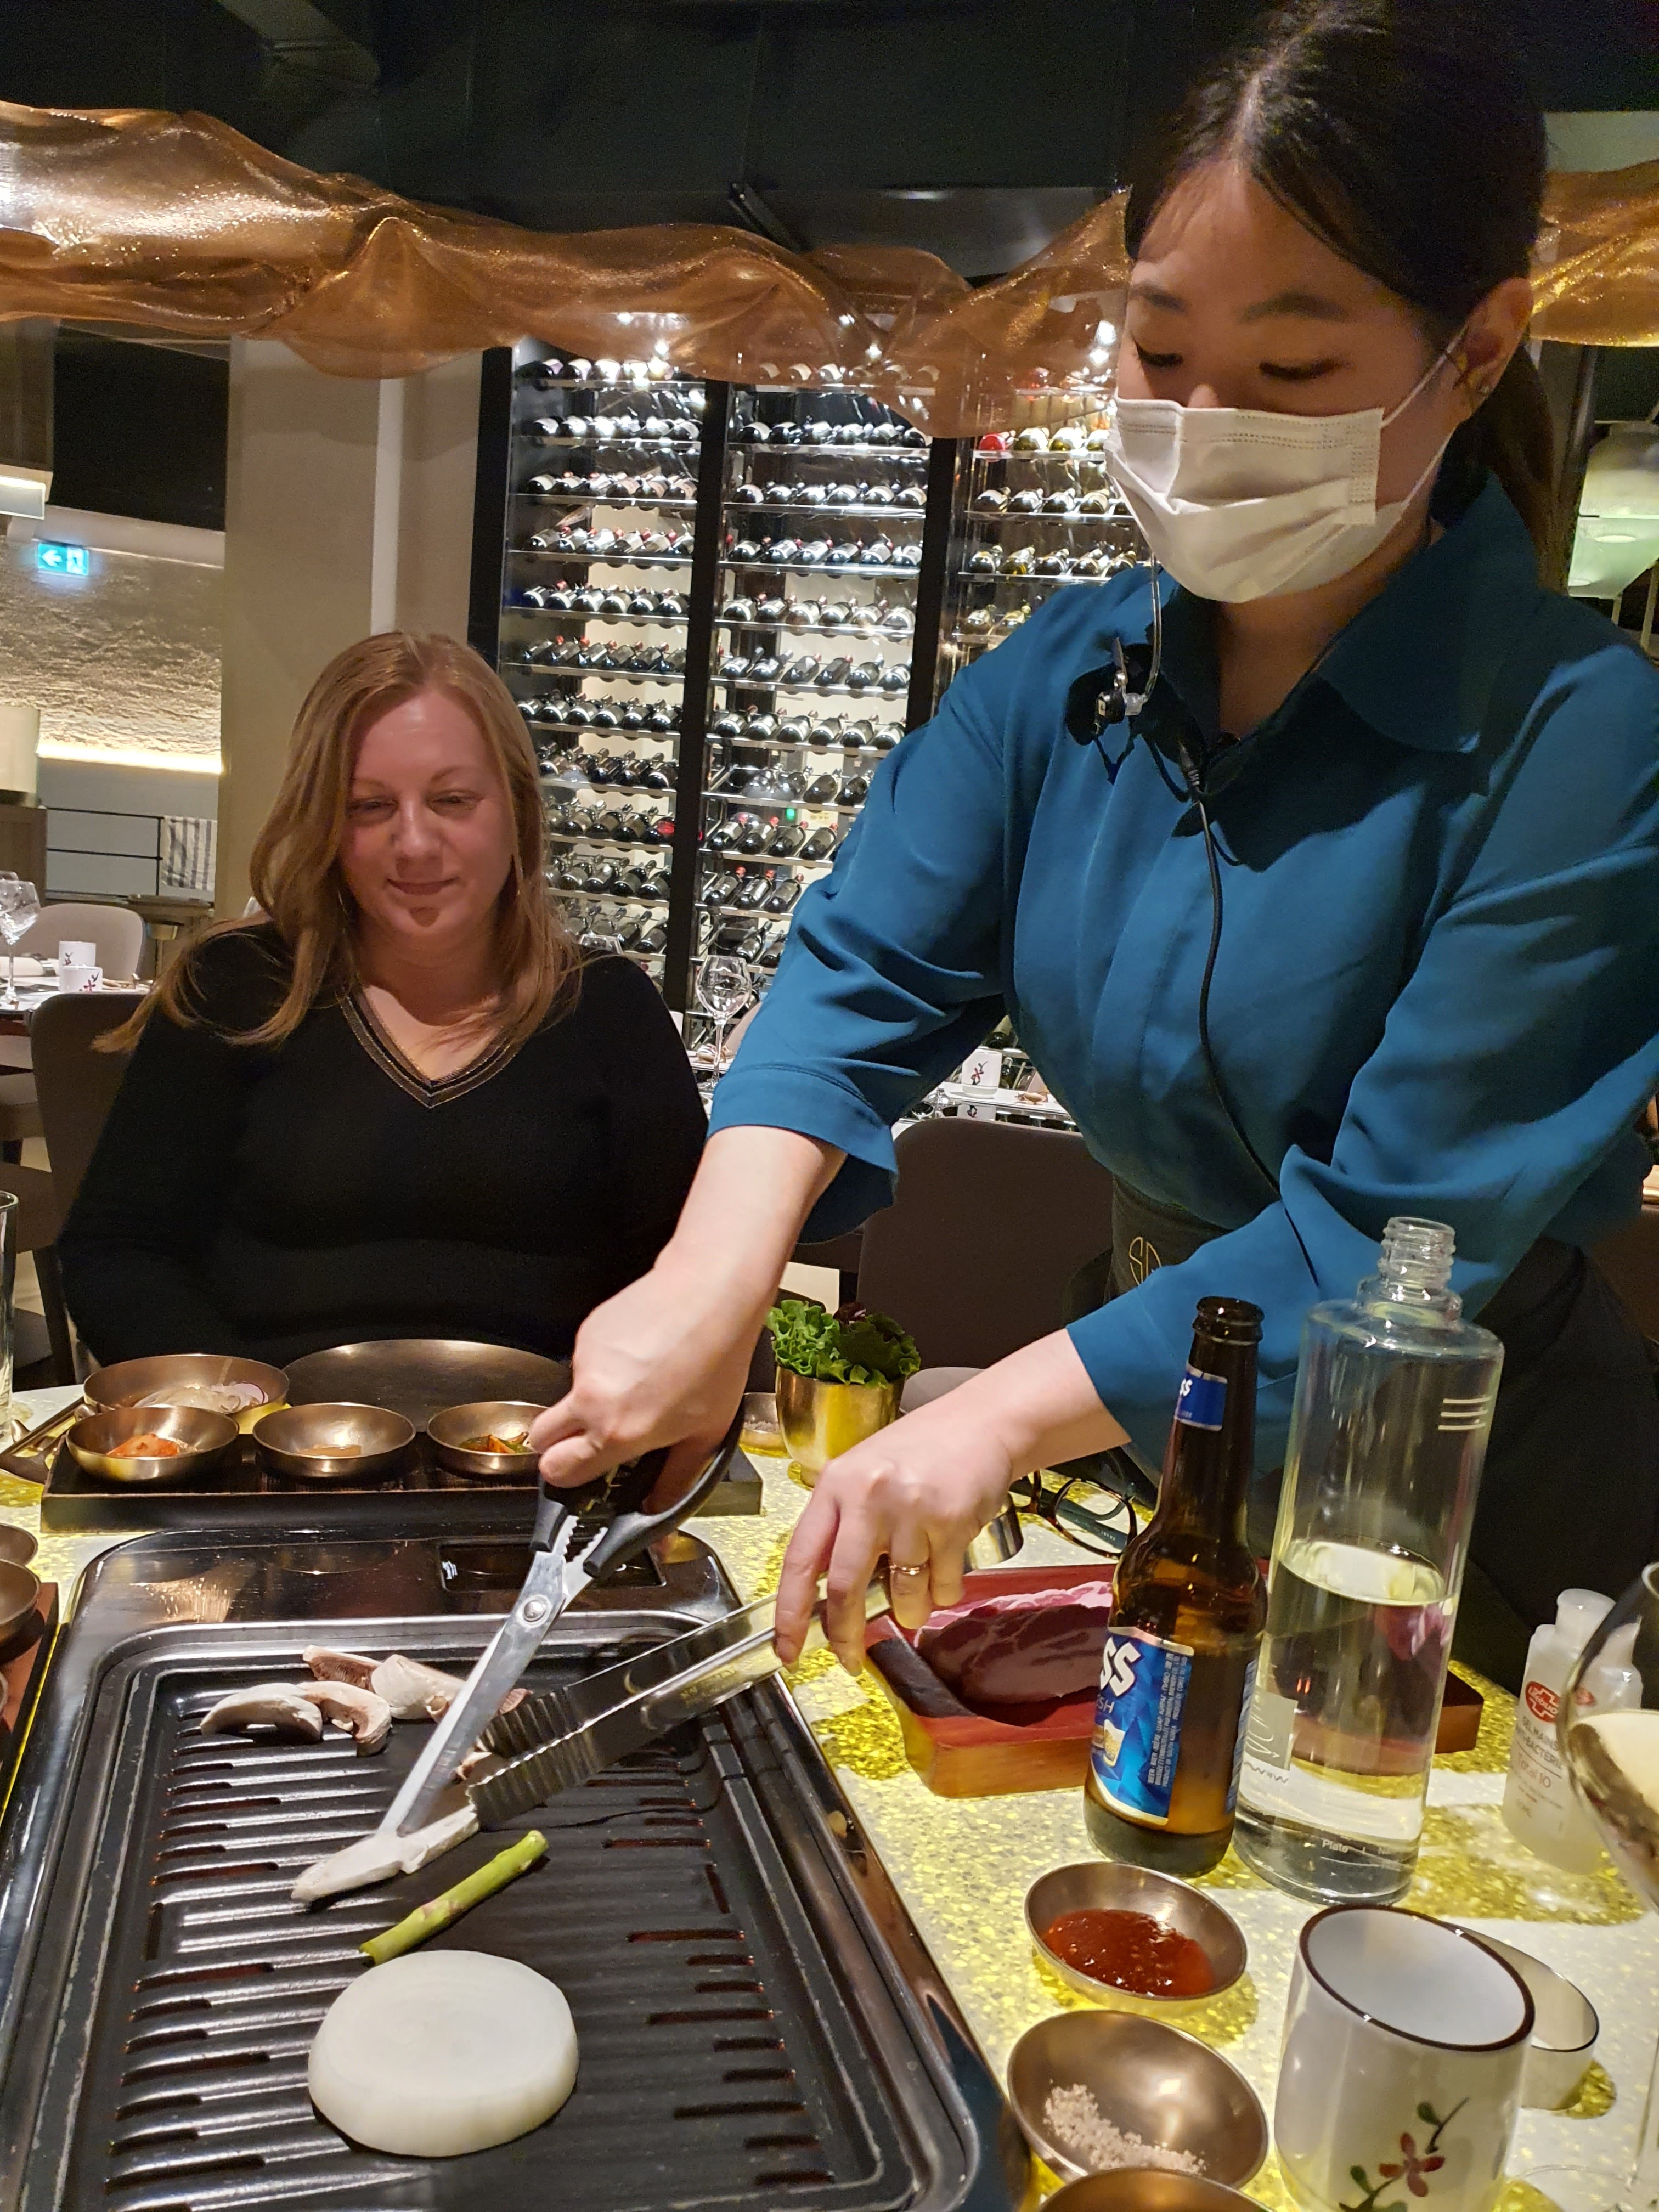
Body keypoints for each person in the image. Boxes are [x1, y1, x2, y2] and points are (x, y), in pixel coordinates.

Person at [529, 0, 1659, 1691]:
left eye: (1290, 373)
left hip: (1458, 1524)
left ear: (1480, 350)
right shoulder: (1071, 673)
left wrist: (998, 1415)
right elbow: (862, 968)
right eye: (1157, 351)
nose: (1204, 422)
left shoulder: (1581, 736)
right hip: (1166, 1469)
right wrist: (711, 1277)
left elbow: (1384, 1244)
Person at [61, 632, 704, 1366]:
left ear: (518, 808)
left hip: (546, 1433)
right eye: (369, 806)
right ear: (325, 825)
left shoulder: (610, 1008)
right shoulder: (236, 984)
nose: (415, 843)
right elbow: (120, 1253)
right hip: (264, 1425)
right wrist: (238, 1404)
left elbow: (690, 1280)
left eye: (452, 800)